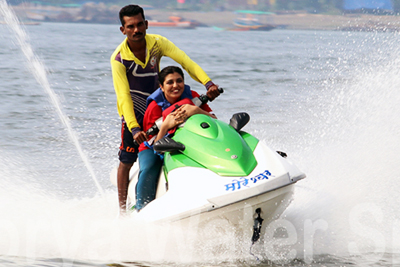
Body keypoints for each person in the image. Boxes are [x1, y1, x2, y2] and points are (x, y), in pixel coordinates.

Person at [110, 4, 220, 215]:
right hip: (134, 112)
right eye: (130, 26)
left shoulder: (158, 44)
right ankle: (123, 212)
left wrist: (208, 83)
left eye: (140, 24)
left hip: (160, 104)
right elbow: (123, 96)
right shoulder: (119, 59)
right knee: (127, 160)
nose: (136, 30)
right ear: (123, 30)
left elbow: (185, 62)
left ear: (146, 24)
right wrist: (133, 128)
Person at [136, 66, 217, 211]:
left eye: (179, 81)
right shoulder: (154, 106)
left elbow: (215, 121)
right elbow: (154, 145)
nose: (175, 86)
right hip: (152, 146)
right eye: (170, 82)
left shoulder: (192, 96)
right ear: (161, 86)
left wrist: (197, 110)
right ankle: (142, 207)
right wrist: (166, 125)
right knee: (149, 167)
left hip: (187, 140)